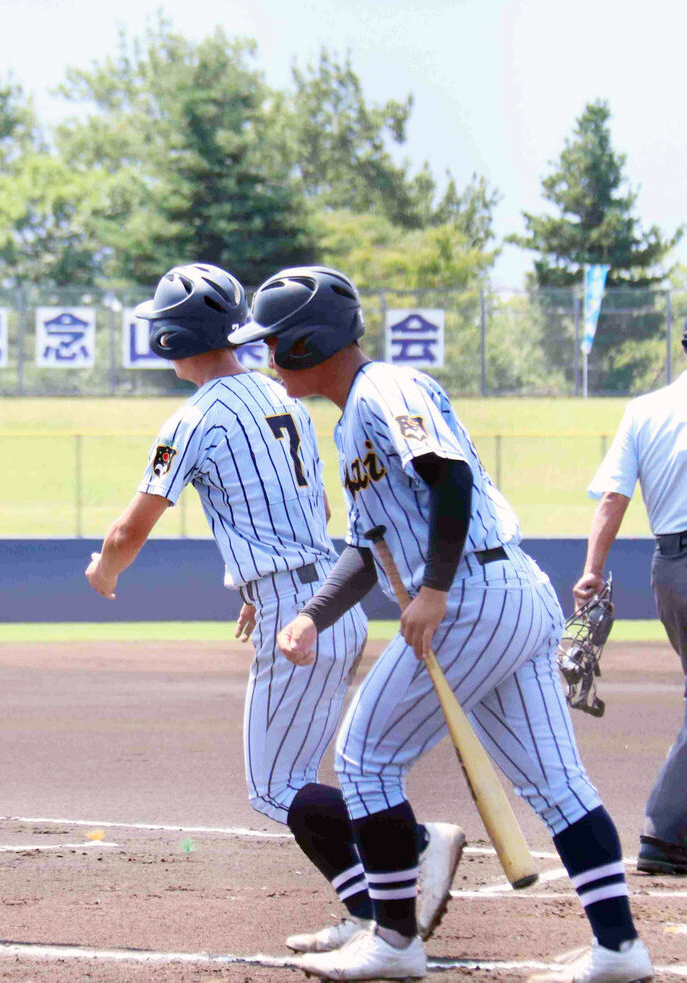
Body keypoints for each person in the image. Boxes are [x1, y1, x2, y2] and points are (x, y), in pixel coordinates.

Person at [242, 267, 653, 982]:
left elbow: (448, 475)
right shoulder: (352, 420)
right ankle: (620, 950)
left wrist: (433, 589)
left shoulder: (387, 388)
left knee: (365, 758)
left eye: (274, 343)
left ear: (309, 342)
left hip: (472, 594)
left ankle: (395, 942)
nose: (267, 358)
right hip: (498, 593)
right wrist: (312, 616)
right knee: (557, 781)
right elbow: (367, 550)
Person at [85, 263, 464, 956]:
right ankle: (366, 908)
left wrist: (105, 569)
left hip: (298, 605)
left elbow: (127, 532)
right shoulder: (276, 390)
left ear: (175, 337)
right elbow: (314, 507)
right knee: (293, 777)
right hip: (325, 595)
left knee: (274, 786)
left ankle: (412, 843)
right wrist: (254, 590)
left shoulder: (193, 418)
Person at [575, 343, 687, 877]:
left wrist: (592, 569)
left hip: (671, 568)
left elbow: (612, 498)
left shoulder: (645, 410)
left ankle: (669, 832)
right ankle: (665, 832)